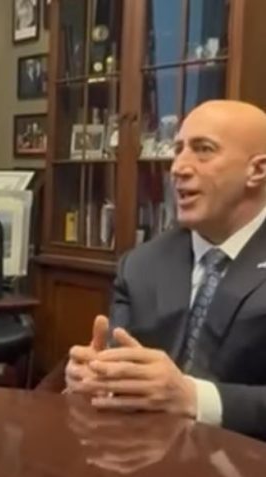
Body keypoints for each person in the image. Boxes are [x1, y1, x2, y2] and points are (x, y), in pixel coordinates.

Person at [63, 100, 266, 440]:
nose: (178, 167)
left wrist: (193, 397)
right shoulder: (141, 265)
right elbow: (117, 365)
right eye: (178, 150)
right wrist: (95, 375)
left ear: (257, 170)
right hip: (144, 454)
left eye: (203, 150)